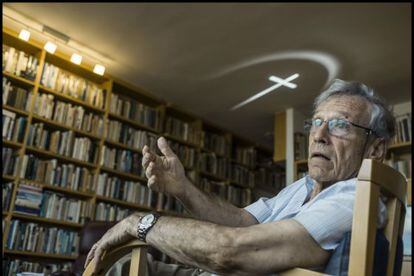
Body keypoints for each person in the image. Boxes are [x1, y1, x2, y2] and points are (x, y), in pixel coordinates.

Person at [85, 79, 395, 275]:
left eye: (340, 125)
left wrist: (138, 224)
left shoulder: (355, 198)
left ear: (376, 149)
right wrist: (183, 190)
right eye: (316, 123)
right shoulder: (303, 187)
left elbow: (229, 250)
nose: (319, 136)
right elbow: (242, 220)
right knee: (119, 266)